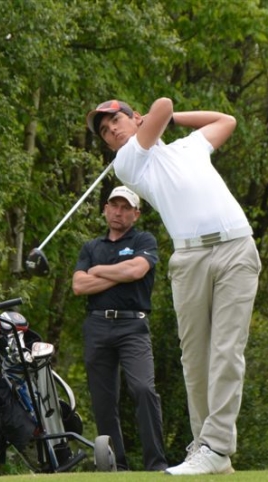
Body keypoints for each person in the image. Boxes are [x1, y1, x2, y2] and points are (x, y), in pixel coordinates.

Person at [86, 98, 261, 475]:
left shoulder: (189, 146)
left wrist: (169, 118)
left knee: (227, 350)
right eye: (105, 132)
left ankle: (214, 446)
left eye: (116, 120)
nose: (111, 131)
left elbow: (225, 119)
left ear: (134, 118)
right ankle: (206, 448)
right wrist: (156, 118)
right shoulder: (128, 162)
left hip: (236, 247)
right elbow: (162, 106)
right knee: (195, 360)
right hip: (190, 258)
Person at [72, 185, 168, 472]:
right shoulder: (91, 247)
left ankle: (156, 464)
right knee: (103, 400)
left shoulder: (144, 240)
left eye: (126, 207)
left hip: (132, 325)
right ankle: (116, 467)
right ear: (105, 209)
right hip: (97, 325)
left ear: (135, 214)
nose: (118, 211)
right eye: (114, 205)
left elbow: (137, 271)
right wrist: (121, 273)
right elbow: (79, 285)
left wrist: (98, 271)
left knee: (142, 389)